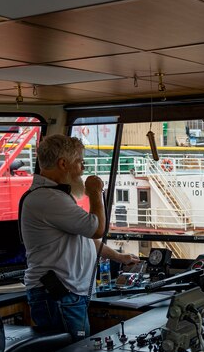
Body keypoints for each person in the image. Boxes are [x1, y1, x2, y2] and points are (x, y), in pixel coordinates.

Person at [21, 134, 138, 339]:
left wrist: (119, 258)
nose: (82, 168)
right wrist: (95, 193)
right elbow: (97, 229)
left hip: (67, 294)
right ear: (64, 164)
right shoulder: (49, 198)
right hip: (59, 295)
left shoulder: (55, 196)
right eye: (80, 162)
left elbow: (87, 238)